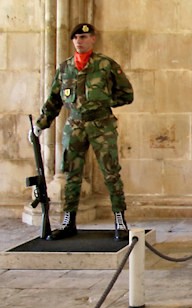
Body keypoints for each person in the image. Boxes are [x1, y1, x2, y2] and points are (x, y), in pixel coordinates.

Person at [30, 22, 133, 240]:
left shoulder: (105, 65)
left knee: (111, 172)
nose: (80, 41)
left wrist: (104, 102)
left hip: (102, 125)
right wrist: (40, 125)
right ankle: (69, 222)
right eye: (76, 37)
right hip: (74, 126)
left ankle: (120, 220)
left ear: (93, 39)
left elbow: (127, 94)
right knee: (71, 174)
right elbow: (54, 101)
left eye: (84, 37)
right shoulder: (65, 68)